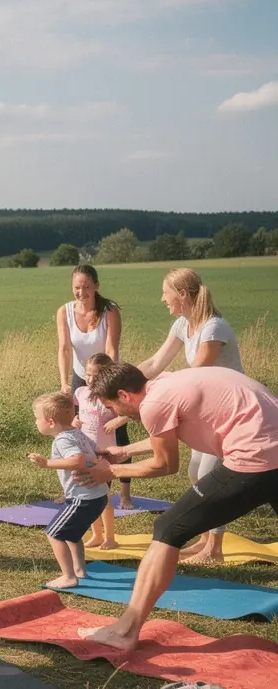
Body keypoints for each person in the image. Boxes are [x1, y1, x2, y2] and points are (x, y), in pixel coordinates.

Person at [73, 362, 278, 652]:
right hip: (272, 446)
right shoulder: (167, 384)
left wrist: (111, 473)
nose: (116, 415)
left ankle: (125, 630)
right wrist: (125, 451)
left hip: (257, 456)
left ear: (124, 395)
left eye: (112, 407)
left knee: (168, 527)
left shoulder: (154, 403)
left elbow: (166, 464)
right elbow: (168, 432)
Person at [137, 268, 244, 564]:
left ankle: (215, 549)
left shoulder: (214, 328)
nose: (162, 298)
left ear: (182, 294)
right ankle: (206, 540)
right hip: (206, 413)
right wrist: (125, 380)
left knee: (210, 476)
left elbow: (198, 374)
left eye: (165, 292)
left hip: (230, 413)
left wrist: (161, 390)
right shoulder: (183, 325)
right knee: (196, 473)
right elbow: (156, 361)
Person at [55, 264, 133, 509]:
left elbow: (111, 349)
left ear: (96, 286)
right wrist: (65, 382)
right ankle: (76, 488)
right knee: (76, 432)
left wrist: (107, 383)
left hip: (107, 376)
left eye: (86, 287)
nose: (81, 292)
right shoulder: (64, 311)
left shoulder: (109, 311)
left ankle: (125, 493)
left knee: (115, 433)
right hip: (81, 376)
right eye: (77, 287)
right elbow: (65, 348)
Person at [29, 392, 110, 588]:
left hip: (83, 499)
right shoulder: (76, 433)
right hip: (97, 496)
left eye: (37, 418)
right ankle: (80, 570)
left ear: (50, 422)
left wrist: (47, 463)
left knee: (54, 534)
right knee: (72, 534)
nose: (35, 422)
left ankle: (68, 576)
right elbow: (95, 450)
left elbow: (77, 460)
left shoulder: (63, 440)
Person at [73, 353, 121, 549]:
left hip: (104, 453)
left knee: (104, 497)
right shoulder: (80, 393)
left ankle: (110, 537)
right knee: (90, 495)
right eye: (88, 374)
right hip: (86, 452)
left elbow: (129, 412)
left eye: (96, 375)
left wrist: (118, 420)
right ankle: (97, 535)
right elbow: (73, 413)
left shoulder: (111, 396)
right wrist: (73, 421)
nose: (91, 379)